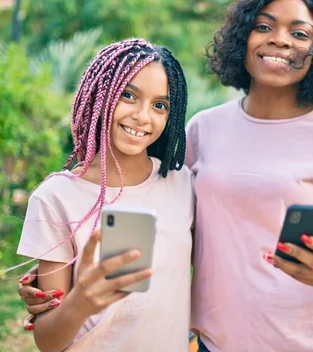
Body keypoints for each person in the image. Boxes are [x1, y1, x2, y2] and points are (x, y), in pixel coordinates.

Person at [18, 0, 313, 352]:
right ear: (243, 37)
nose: (281, 40)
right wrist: (61, 273)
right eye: (264, 26)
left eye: (300, 33)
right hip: (218, 343)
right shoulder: (203, 130)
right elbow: (176, 232)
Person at [16, 39, 194, 352]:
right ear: (101, 94)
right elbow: (48, 342)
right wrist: (80, 302)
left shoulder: (182, 184)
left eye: (160, 105)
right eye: (129, 95)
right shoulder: (55, 196)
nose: (142, 116)